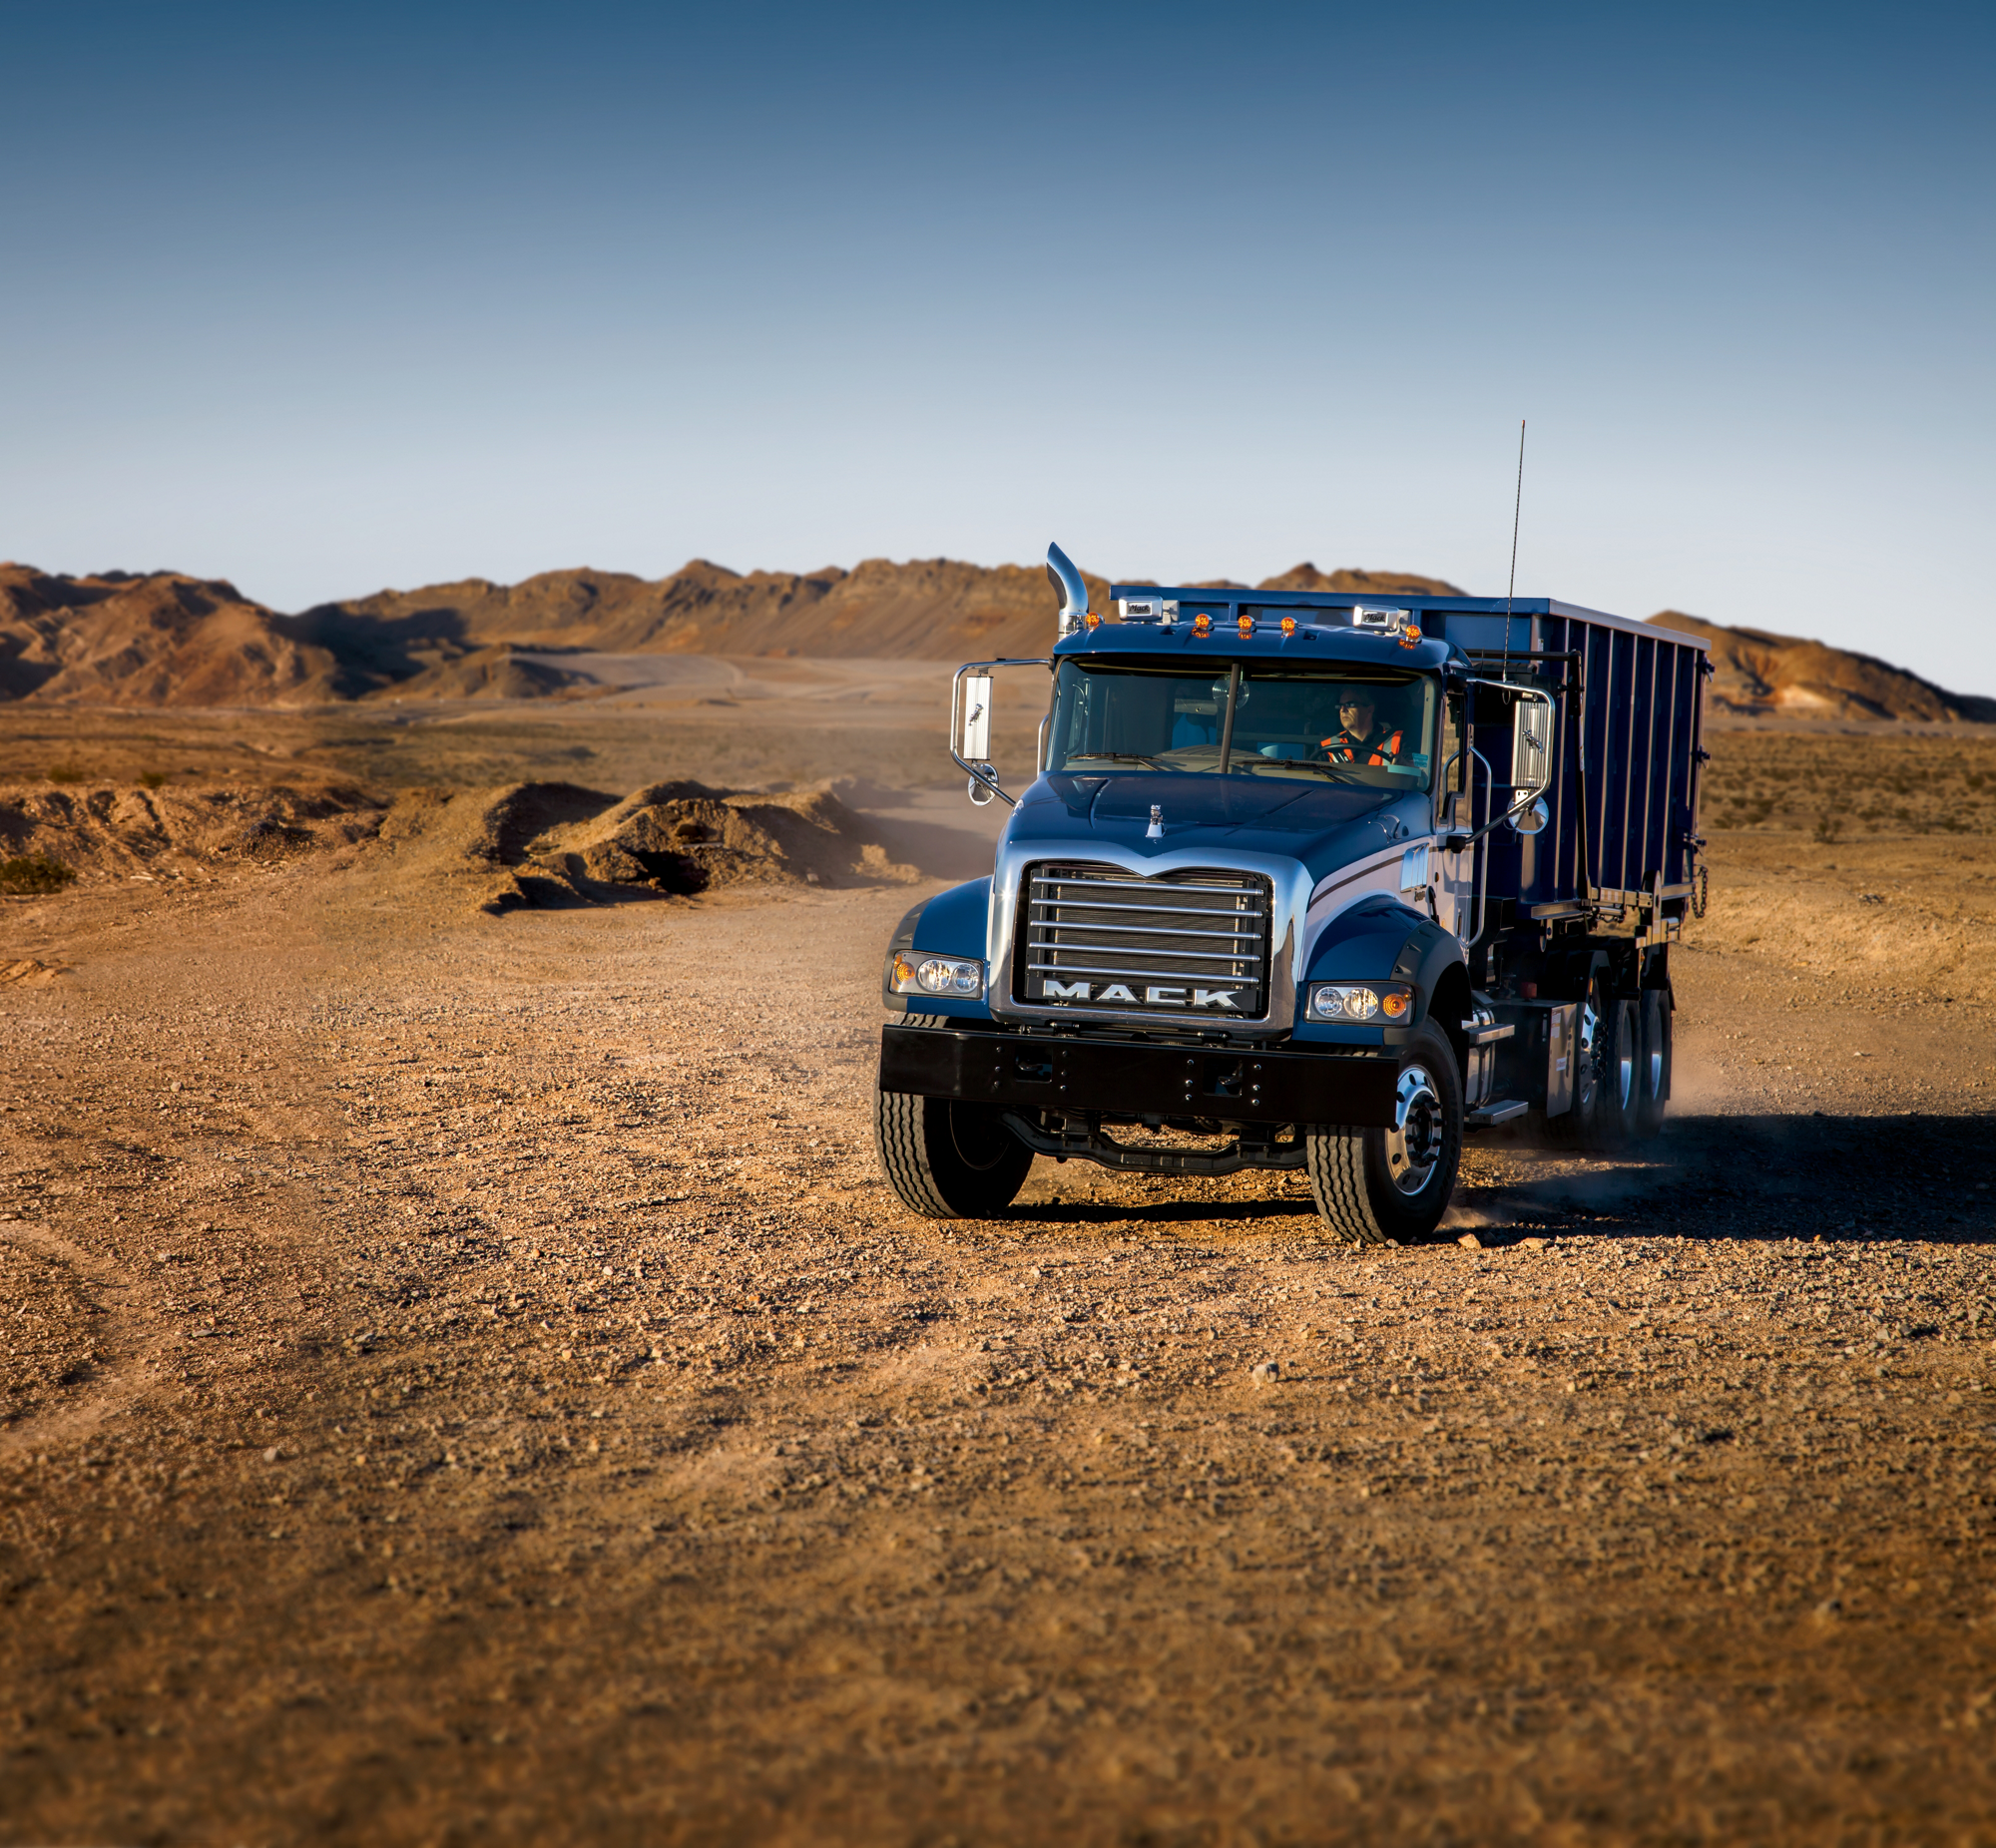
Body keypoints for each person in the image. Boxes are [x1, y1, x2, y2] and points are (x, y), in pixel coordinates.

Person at [1320, 689, 1403, 765]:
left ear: (1369, 710)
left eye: (1350, 704)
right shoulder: (1328, 748)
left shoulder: (1397, 740)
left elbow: (1412, 771)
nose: (1342, 710)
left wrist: (1406, 765)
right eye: (1340, 706)